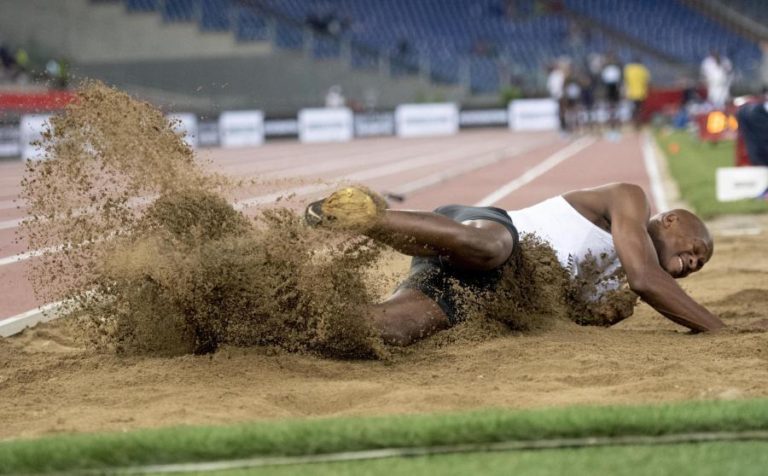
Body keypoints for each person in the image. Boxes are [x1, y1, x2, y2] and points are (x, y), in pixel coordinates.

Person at [305, 184, 768, 346]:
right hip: (485, 233)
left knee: (389, 329)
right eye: (694, 251)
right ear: (670, 220)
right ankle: (359, 215)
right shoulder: (629, 198)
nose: (691, 264)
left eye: (697, 267)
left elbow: (552, 314)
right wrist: (719, 329)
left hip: (483, 292)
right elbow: (646, 278)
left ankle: (283, 314)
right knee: (492, 249)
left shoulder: (616, 294)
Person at [623, 57, 651, 129]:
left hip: (631, 93)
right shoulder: (643, 69)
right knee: (640, 108)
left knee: (633, 109)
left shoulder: (628, 69)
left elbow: (625, 82)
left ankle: (634, 123)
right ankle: (639, 123)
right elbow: (647, 82)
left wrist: (625, 91)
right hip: (641, 92)